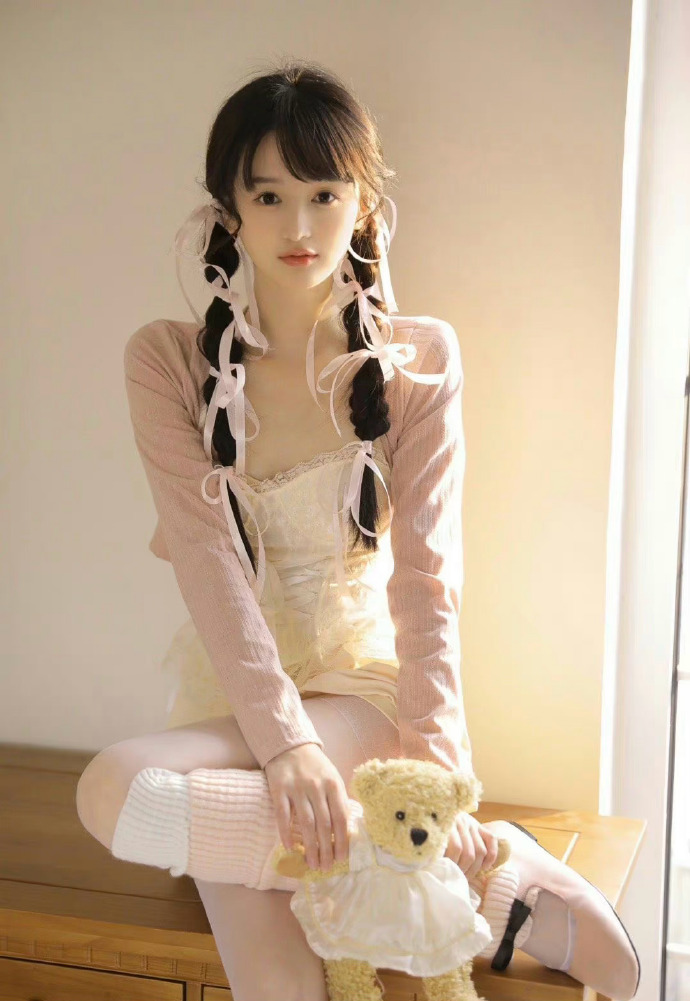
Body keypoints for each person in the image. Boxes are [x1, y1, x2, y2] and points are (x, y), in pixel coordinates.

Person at [75, 61, 640, 1001]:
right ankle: (440, 857)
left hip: (363, 694)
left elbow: (427, 583)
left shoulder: (419, 359)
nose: (298, 227)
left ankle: (461, 853)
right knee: (111, 789)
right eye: (268, 196)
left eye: (324, 194)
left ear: (363, 202)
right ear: (229, 211)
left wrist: (440, 773)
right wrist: (286, 748)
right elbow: (210, 570)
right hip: (245, 697)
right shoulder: (166, 364)